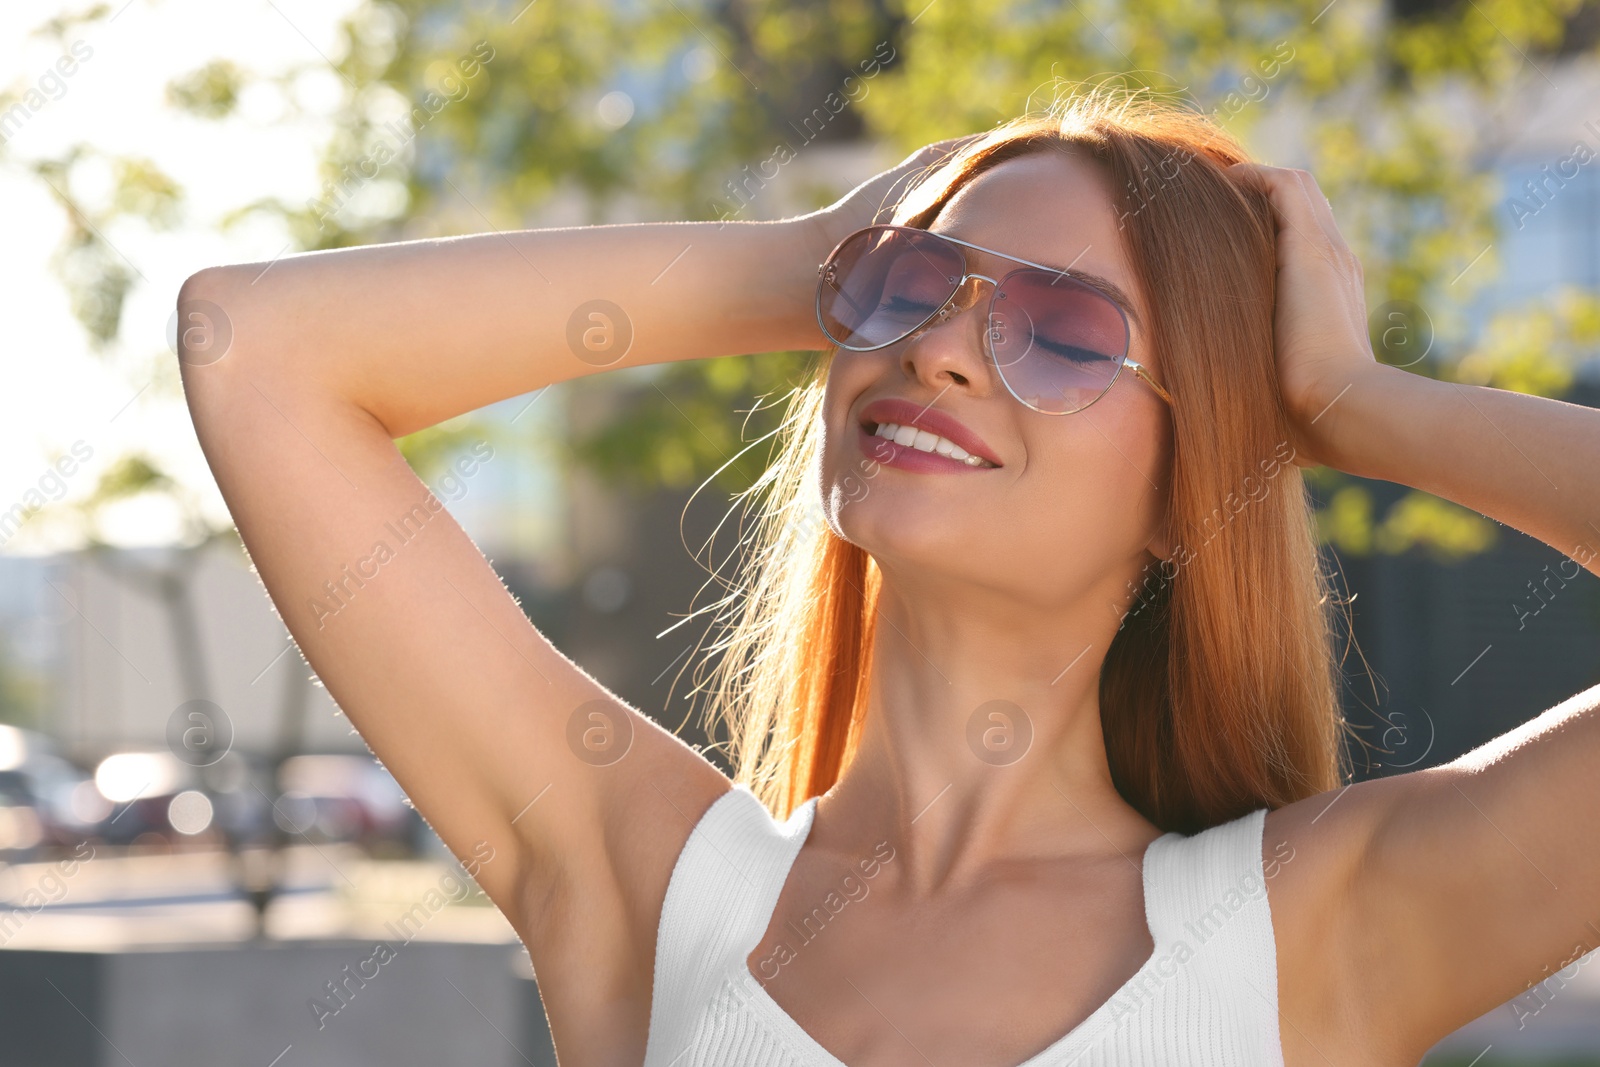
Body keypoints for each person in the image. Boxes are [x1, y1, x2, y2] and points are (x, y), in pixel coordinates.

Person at [176, 85, 1600, 1067]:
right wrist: (798, 266)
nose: (939, 348)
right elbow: (253, 347)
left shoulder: (1323, 926)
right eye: (913, 282)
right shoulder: (653, 890)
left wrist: (1350, 404)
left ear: (1187, 492)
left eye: (1060, 328)